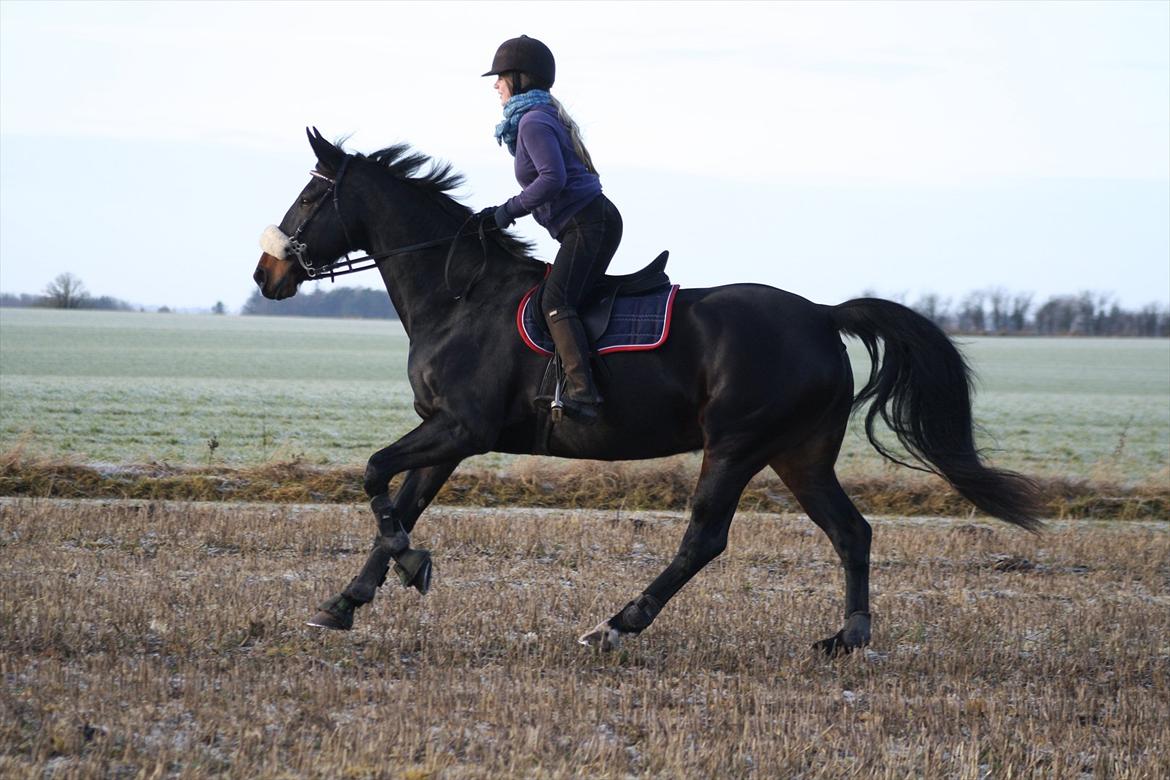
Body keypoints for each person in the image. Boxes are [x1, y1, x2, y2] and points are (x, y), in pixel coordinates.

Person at [479, 35, 623, 423]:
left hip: (588, 224)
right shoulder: (539, 117)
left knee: (555, 301)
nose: (496, 85)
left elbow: (551, 179)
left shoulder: (532, 121)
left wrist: (506, 211)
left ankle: (583, 393)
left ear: (521, 79)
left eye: (501, 77)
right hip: (590, 222)